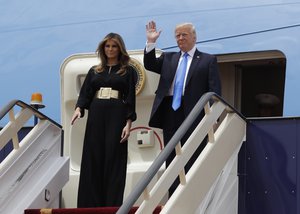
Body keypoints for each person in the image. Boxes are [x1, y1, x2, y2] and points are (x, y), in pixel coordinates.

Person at [143, 21, 221, 196]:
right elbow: (149, 64)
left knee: (194, 154)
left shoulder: (208, 60)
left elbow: (215, 90)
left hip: (195, 113)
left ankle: (194, 195)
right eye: (177, 35)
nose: (180, 38)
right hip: (171, 112)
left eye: (183, 34)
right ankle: (174, 198)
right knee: (172, 157)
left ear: (194, 37)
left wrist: (214, 116)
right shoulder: (168, 58)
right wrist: (151, 43)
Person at [71, 33, 137, 208]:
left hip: (117, 114)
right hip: (96, 113)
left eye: (114, 46)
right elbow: (85, 93)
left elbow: (130, 98)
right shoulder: (94, 70)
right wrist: (79, 109)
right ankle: (89, 206)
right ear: (103, 48)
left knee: (114, 158)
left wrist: (128, 123)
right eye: (107, 46)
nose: (110, 49)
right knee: (93, 156)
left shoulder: (127, 71)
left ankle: (112, 206)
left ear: (120, 48)